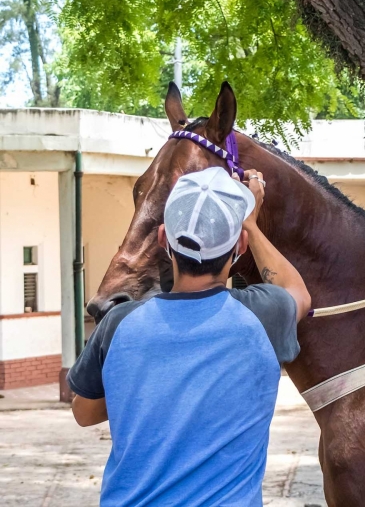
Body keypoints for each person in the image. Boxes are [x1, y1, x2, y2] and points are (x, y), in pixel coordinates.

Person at [68, 166, 311, 505]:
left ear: (163, 238)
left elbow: (84, 412)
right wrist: (250, 223)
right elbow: (296, 290)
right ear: (239, 243)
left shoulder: (118, 323)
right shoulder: (262, 316)